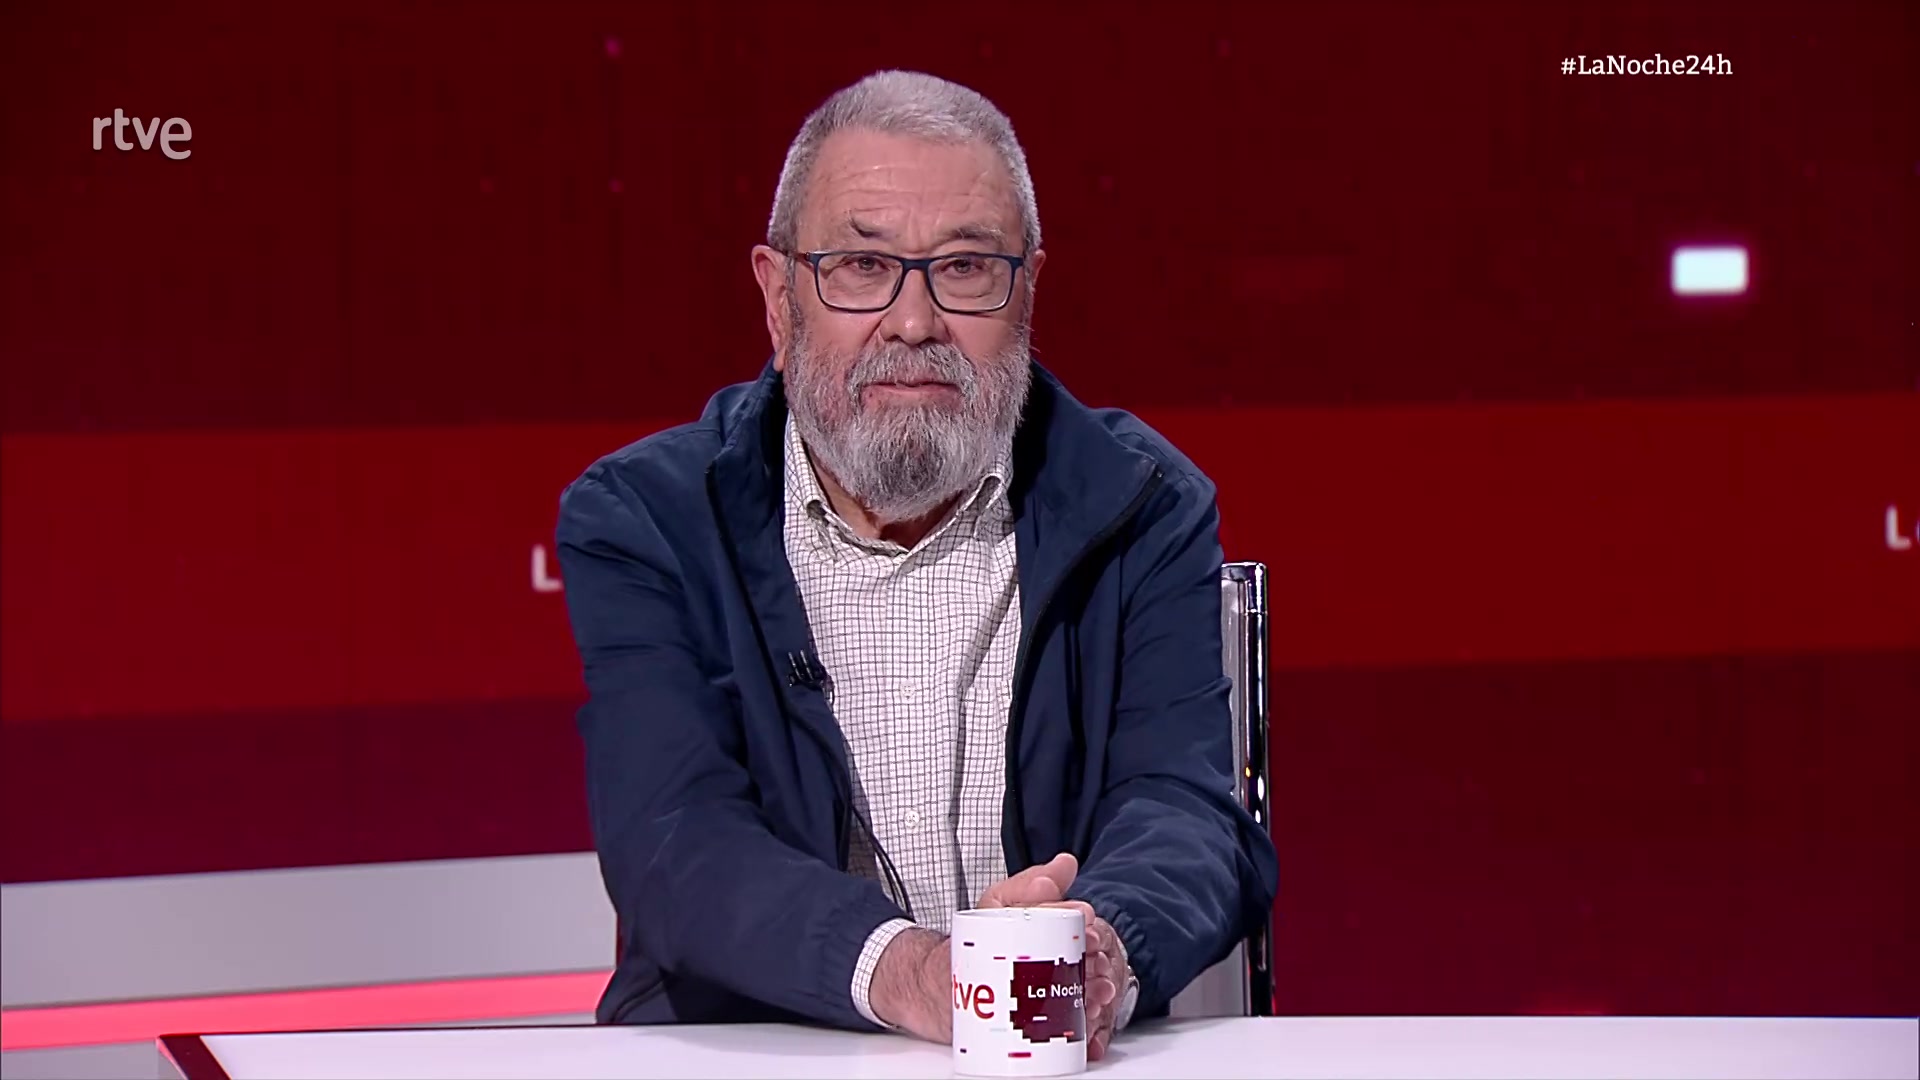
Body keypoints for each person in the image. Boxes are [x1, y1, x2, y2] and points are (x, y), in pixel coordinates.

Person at [555, 70, 1278, 1059]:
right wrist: (918, 977)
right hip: (752, 1057)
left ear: (1027, 292)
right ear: (778, 299)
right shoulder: (651, 520)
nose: (913, 322)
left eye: (966, 268)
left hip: (1050, 1063)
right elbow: (675, 841)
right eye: (861, 266)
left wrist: (1094, 950)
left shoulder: (1143, 503)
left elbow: (1186, 812)